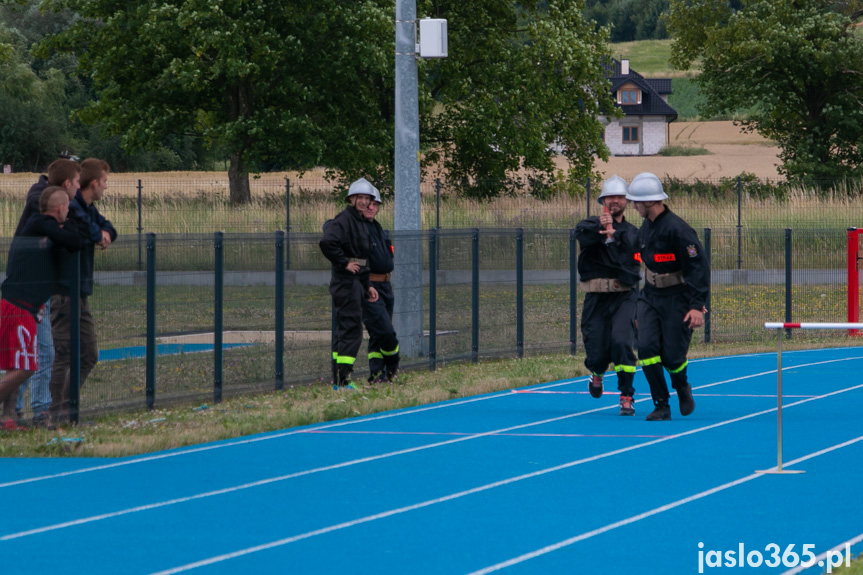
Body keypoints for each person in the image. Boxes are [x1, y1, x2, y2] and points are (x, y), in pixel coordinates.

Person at [0, 187, 85, 429]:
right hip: (18, 306)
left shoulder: (45, 228)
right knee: (26, 368)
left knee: (18, 364)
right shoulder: (40, 222)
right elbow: (73, 241)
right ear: (59, 208)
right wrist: (69, 225)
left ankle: (7, 416)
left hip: (26, 307)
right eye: (67, 208)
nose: (69, 212)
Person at [628, 172, 710, 421]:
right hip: (650, 296)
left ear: (649, 202)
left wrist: (697, 305)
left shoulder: (679, 230)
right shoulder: (645, 228)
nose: (633, 206)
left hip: (678, 298)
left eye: (636, 202)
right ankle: (661, 404)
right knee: (646, 349)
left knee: (673, 357)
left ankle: (682, 385)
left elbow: (698, 269)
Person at [49, 158, 117, 423]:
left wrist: (104, 234)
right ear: (93, 183)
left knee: (89, 353)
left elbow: (107, 226)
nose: (106, 187)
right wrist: (97, 234)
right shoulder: (73, 207)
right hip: (65, 291)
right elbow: (83, 229)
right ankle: (57, 412)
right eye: (104, 182)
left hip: (81, 291)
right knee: (64, 353)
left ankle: (68, 405)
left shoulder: (89, 209)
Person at [575, 175, 641, 415]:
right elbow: (581, 235)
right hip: (595, 298)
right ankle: (597, 372)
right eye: (611, 197)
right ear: (603, 200)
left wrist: (613, 238)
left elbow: (629, 269)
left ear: (627, 201)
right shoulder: (589, 226)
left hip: (623, 296)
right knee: (597, 349)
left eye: (620, 197)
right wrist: (601, 228)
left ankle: (626, 395)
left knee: (622, 343)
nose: (615, 201)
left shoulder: (632, 234)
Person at [319, 178, 379, 389]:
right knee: (351, 330)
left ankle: (338, 378)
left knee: (346, 329)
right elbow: (327, 242)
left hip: (357, 281)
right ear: (351, 199)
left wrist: (368, 284)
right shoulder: (344, 220)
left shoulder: (360, 221)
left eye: (367, 198)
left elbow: (361, 259)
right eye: (359, 198)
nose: (363, 202)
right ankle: (343, 380)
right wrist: (344, 263)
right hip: (345, 283)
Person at [361, 186, 400, 383]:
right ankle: (393, 364)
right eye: (369, 203)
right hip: (370, 287)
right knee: (384, 331)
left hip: (386, 286)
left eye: (375, 204)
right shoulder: (358, 228)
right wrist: (367, 285)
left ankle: (378, 374)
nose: (371, 207)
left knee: (378, 335)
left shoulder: (378, 228)